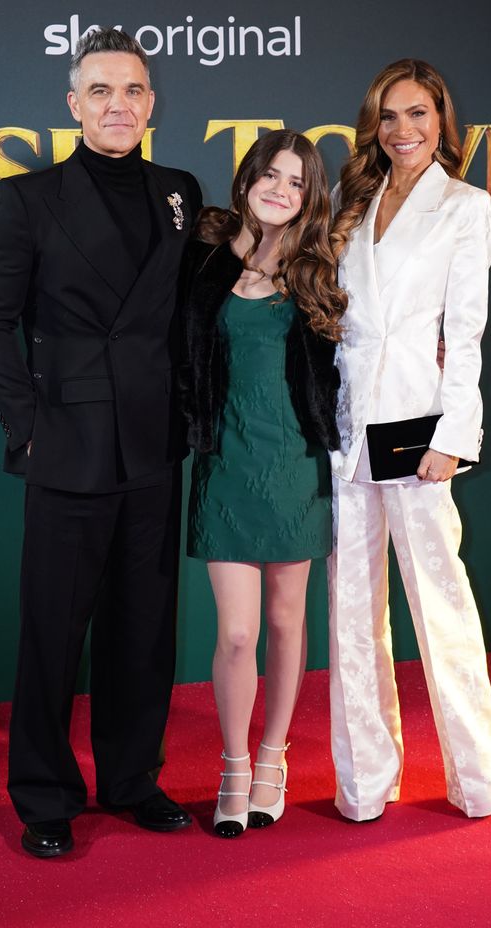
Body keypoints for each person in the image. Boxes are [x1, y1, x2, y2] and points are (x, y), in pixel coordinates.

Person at [0, 28, 202, 857]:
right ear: (74, 105)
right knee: (53, 629)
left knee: (144, 626)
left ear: (151, 103)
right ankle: (44, 796)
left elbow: (189, 312)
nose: (118, 105)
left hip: (151, 442)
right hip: (66, 444)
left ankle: (132, 778)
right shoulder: (28, 199)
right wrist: (27, 427)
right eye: (101, 91)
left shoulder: (178, 192)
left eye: (133, 90)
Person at [327, 58, 491, 822]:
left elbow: (465, 333)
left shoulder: (464, 206)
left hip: (418, 429)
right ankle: (365, 785)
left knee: (441, 604)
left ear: (441, 122)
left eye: (418, 114)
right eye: (390, 115)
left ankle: (477, 780)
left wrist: (453, 435)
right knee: (351, 611)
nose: (404, 130)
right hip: (346, 428)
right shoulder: (352, 202)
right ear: (374, 125)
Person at [180, 130, 345, 837]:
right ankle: (234, 764)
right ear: (247, 180)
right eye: (270, 175)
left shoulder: (319, 270)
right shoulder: (205, 259)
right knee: (238, 632)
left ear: (309, 198)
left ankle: (273, 756)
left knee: (284, 622)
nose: (281, 189)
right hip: (225, 464)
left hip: (295, 466)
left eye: (297, 182)